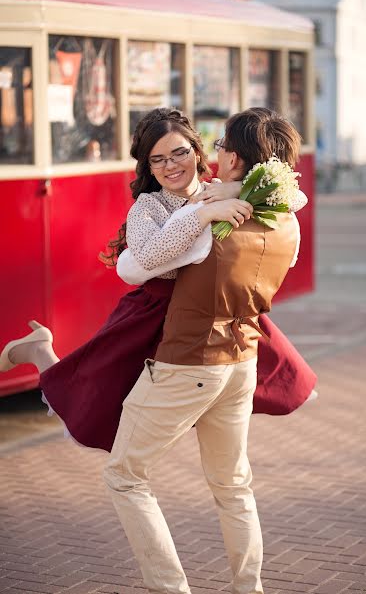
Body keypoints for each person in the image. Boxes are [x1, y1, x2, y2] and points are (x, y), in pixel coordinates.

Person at [0, 108, 316, 454]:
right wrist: (204, 213)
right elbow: (145, 260)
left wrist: (236, 190)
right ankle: (40, 349)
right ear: (148, 167)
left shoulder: (219, 189)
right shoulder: (148, 207)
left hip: (205, 316)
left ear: (198, 152)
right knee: (92, 404)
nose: (171, 165)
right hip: (152, 314)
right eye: (158, 159)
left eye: (179, 153)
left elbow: (292, 198)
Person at [103, 107, 309, 594]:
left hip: (189, 363)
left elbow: (132, 268)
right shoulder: (286, 225)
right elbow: (292, 197)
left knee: (124, 475)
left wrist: (205, 210)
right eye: (159, 159)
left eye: (210, 148)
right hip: (243, 363)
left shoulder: (210, 228)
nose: (203, 156)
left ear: (229, 156)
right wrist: (236, 193)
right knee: (233, 486)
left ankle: (170, 588)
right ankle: (248, 587)